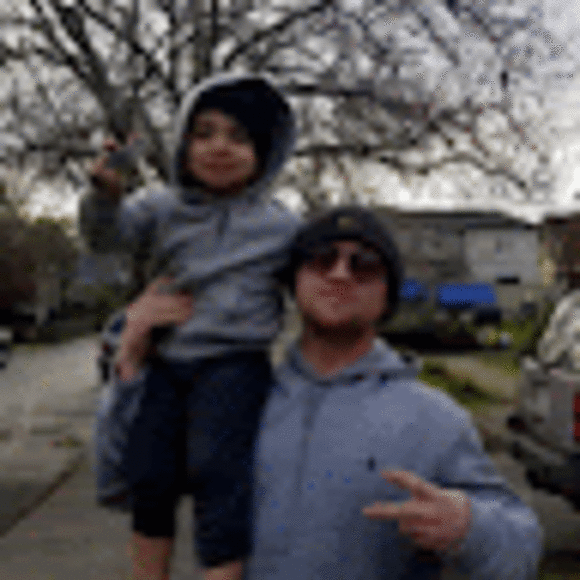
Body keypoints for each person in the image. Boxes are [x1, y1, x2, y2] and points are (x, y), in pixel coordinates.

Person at [119, 206, 544, 579]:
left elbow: (521, 551)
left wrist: (470, 526)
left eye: (364, 265)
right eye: (322, 259)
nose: (340, 273)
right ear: (294, 281)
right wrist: (132, 366)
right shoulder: (233, 397)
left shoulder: (434, 419)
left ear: (388, 294)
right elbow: (120, 480)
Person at [81, 73, 301, 580]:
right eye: (204, 133)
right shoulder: (160, 207)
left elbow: (310, 282)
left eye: (238, 137)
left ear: (265, 152)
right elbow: (106, 240)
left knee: (218, 473)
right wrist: (105, 197)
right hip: (165, 359)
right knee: (149, 474)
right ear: (182, 143)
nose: (219, 147)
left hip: (234, 362)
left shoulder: (281, 225)